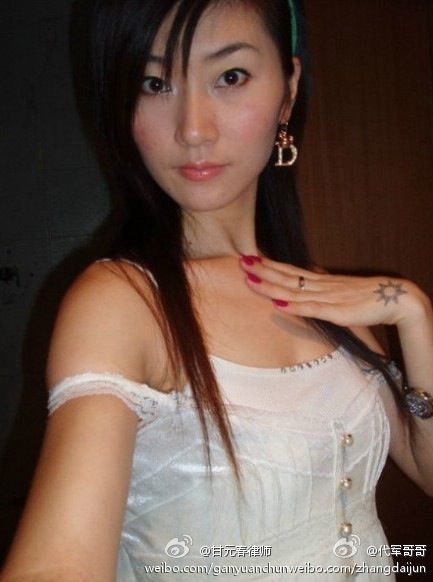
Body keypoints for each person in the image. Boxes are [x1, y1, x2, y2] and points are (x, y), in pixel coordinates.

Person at [2, 0, 433, 580]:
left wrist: (411, 310)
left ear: (288, 91)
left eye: (230, 76)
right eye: (155, 83)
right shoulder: (122, 301)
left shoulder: (322, 299)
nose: (193, 128)